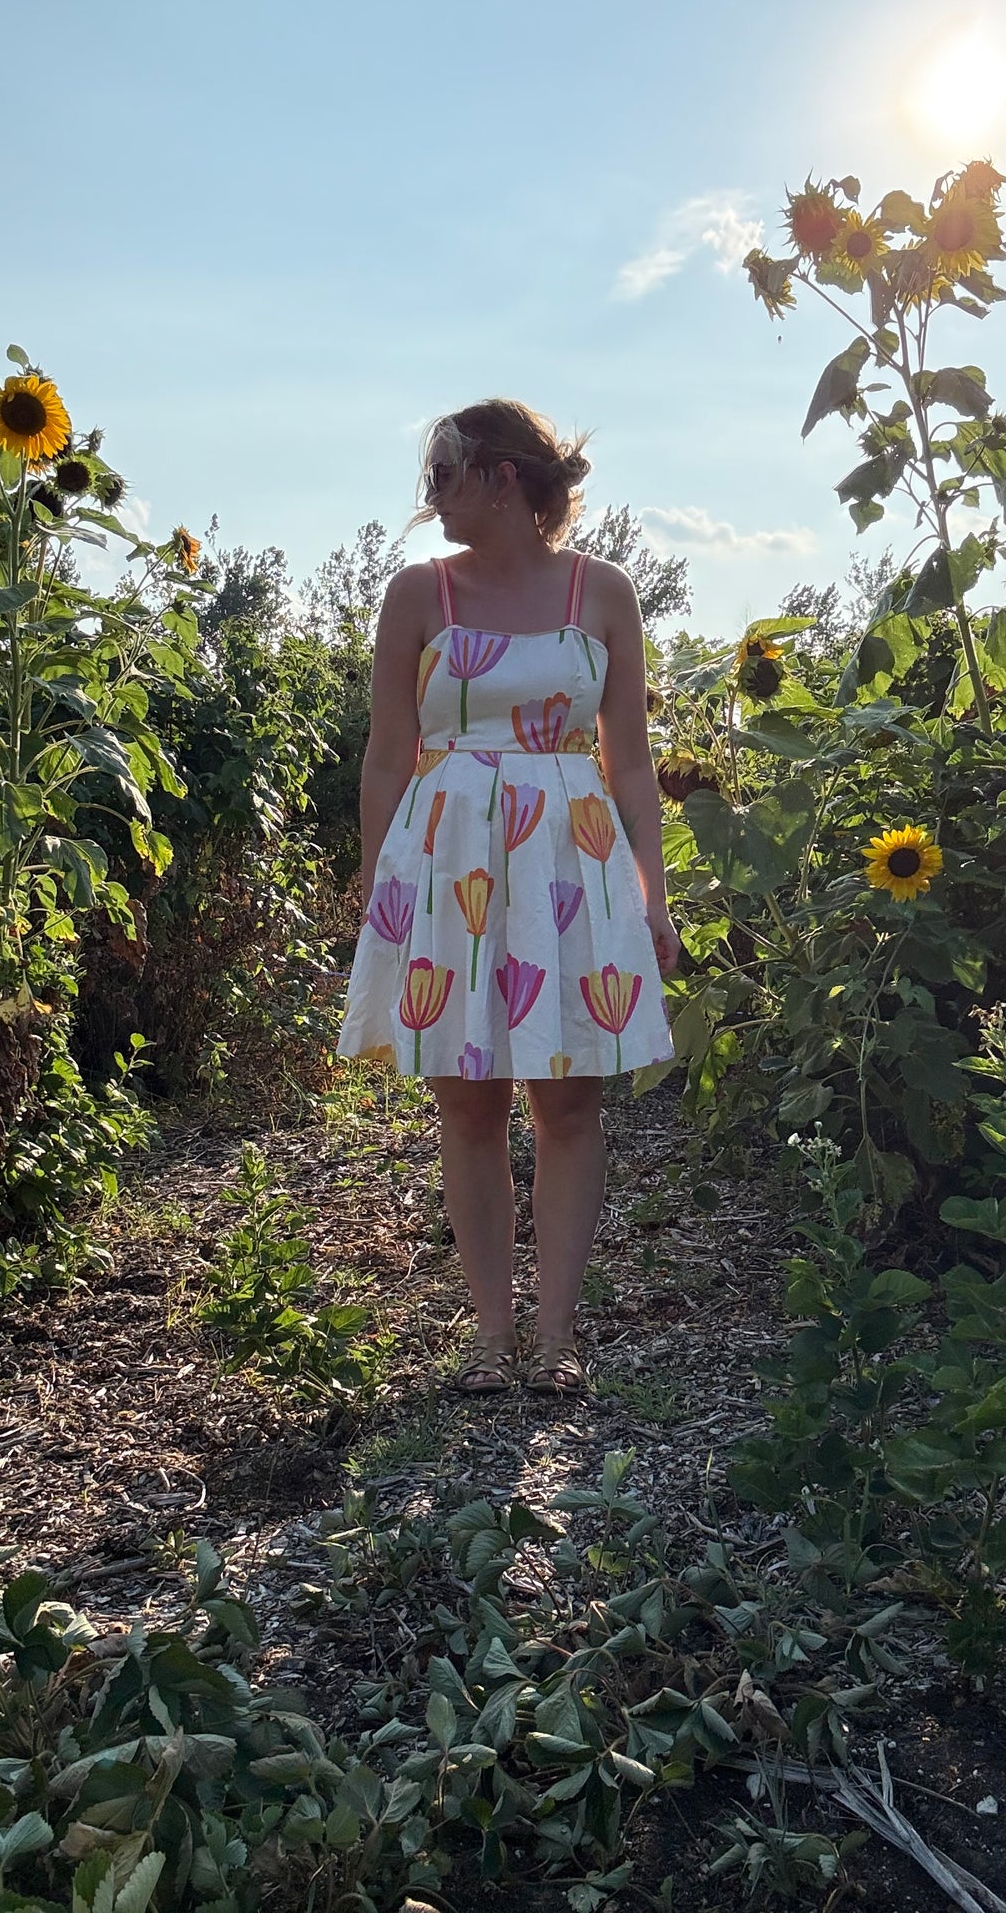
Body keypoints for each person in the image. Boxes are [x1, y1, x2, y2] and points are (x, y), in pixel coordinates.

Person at [336, 399, 680, 1395]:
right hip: (448, 865)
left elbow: (628, 765)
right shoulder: (417, 596)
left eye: (442, 475)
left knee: (568, 1104)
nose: (429, 497)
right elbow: (388, 755)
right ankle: (492, 1335)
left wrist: (651, 896)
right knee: (468, 1104)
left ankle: (556, 1336)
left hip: (568, 863)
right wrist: (376, 891)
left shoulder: (601, 592)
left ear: (501, 476)